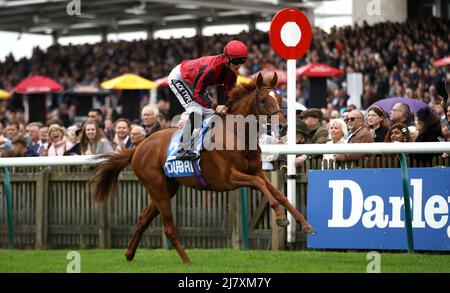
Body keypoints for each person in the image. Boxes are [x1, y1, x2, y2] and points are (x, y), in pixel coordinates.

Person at [168, 39, 248, 160]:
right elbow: (197, 95)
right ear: (227, 58)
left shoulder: (233, 73)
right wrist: (216, 106)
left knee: (212, 113)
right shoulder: (210, 68)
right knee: (197, 112)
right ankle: (182, 149)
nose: (239, 65)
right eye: (237, 61)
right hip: (180, 78)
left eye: (243, 60)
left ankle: (201, 143)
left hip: (196, 82)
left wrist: (230, 106)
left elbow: (230, 95)